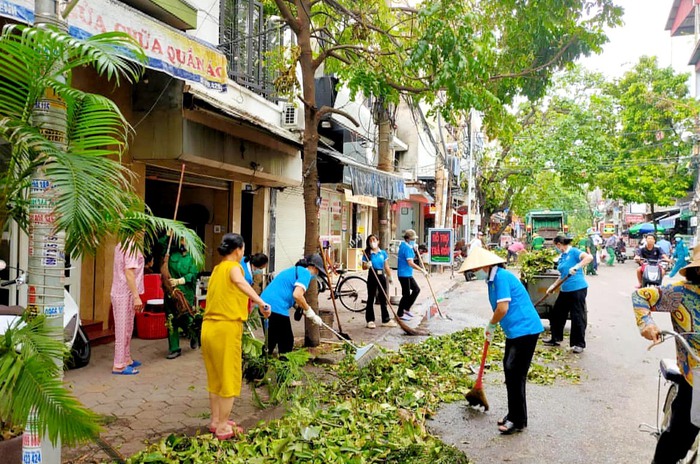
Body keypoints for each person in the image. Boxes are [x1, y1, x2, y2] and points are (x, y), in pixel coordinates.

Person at [459, 247, 543, 435]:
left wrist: (491, 325)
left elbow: (502, 308)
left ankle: (517, 420)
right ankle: (515, 414)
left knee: (515, 374)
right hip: (514, 332)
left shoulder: (501, 277)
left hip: (525, 330)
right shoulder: (492, 280)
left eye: (476, 268)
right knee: (510, 370)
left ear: (485, 265)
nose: (475, 272)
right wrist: (496, 326)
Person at [632, 245, 700, 463]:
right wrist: (646, 323)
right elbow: (641, 296)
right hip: (696, 378)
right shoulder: (681, 293)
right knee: (678, 439)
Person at [201, 233, 270, 440]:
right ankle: (223, 427)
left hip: (208, 328)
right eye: (243, 249)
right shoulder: (233, 267)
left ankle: (215, 420)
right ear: (238, 250)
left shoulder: (216, 269)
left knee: (215, 378)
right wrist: (261, 302)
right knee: (229, 378)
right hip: (226, 328)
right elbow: (240, 283)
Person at [260, 254, 326, 355]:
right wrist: (309, 311)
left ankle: (256, 368)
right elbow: (297, 295)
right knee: (286, 342)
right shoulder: (305, 273)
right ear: (312, 267)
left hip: (264, 304)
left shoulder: (295, 270)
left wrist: (301, 308)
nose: (316, 275)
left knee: (271, 341)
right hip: (276, 307)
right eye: (317, 272)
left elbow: (290, 295)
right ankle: (285, 368)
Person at [543, 235, 593, 353]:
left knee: (577, 316)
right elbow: (563, 275)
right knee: (557, 314)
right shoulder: (562, 256)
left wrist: (576, 266)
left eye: (556, 246)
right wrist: (553, 286)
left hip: (578, 289)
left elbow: (589, 257)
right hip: (565, 290)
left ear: (559, 244)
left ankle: (579, 344)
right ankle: (556, 338)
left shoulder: (574, 252)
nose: (556, 248)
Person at [162, 235, 202, 359]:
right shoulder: (172, 253)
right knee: (171, 319)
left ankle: (194, 334)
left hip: (185, 294)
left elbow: (193, 274)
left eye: (185, 240)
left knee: (187, 319)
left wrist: (180, 280)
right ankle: (174, 348)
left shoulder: (193, 258)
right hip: (171, 292)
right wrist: (167, 236)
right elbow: (161, 246)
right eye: (181, 239)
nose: (182, 242)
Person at [110, 238, 145, 375]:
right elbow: (129, 272)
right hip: (125, 291)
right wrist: (136, 296)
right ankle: (119, 365)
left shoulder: (122, 244)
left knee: (127, 328)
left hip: (124, 291)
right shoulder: (130, 246)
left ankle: (126, 359)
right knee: (122, 329)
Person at [361, 235, 397, 329]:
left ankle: (386, 319)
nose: (372, 242)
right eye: (370, 240)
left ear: (378, 241)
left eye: (374, 240)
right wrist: (367, 265)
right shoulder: (367, 253)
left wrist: (390, 276)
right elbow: (363, 266)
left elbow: (386, 266)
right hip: (372, 275)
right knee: (371, 298)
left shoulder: (383, 253)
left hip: (381, 275)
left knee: (383, 297)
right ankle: (370, 320)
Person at [397, 229, 427, 321]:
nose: (414, 240)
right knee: (406, 294)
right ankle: (400, 313)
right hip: (404, 274)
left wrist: (414, 249)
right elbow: (410, 262)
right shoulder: (406, 248)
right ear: (407, 239)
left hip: (407, 273)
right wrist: (421, 270)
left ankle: (406, 308)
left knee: (416, 289)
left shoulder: (405, 246)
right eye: (412, 239)